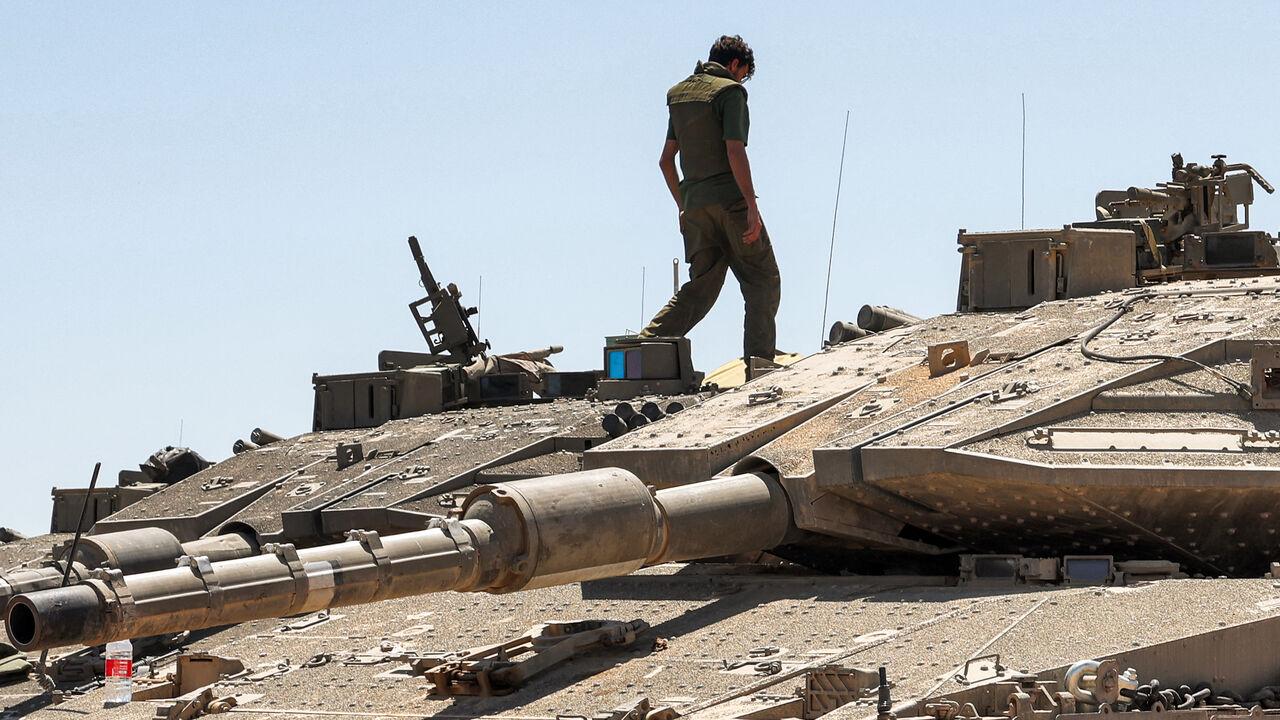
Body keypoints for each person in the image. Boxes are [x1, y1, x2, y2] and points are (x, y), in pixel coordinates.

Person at [639, 35, 781, 364]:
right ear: (734, 65)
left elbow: (665, 161)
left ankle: (643, 347)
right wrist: (751, 206)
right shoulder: (730, 92)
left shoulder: (679, 94)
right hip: (730, 203)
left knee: (701, 286)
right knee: (763, 280)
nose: (742, 80)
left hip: (696, 208)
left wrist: (683, 206)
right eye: (743, 73)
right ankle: (759, 367)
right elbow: (735, 150)